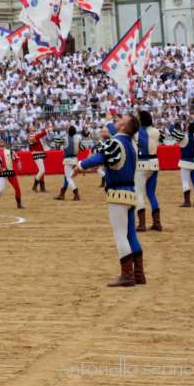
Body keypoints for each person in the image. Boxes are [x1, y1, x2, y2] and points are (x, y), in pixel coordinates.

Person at [72, 114, 145, 287]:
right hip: (131, 192)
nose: (118, 119)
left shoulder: (116, 143)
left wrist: (80, 165)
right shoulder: (132, 144)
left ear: (122, 127)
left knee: (120, 235)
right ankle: (139, 274)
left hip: (117, 193)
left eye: (122, 119)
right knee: (131, 234)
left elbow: (99, 158)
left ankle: (127, 275)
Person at [134, 110, 163, 233]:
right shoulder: (157, 131)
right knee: (151, 193)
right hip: (155, 163)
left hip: (141, 164)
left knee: (139, 193)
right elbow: (162, 138)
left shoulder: (137, 132)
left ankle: (142, 224)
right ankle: (157, 223)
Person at [170, 121, 194, 208]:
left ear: (189, 128)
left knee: (185, 182)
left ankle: (187, 202)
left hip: (186, 162)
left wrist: (173, 124)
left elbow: (172, 131)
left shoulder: (184, 136)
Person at [0, 137, 24, 210]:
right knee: (1, 189)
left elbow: (17, 158)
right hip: (2, 173)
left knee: (17, 188)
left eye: (2, 141)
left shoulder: (9, 151)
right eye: (0, 142)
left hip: (10, 172)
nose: (1, 142)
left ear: (4, 143)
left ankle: (19, 204)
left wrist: (19, 163)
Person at [55, 126, 82, 201]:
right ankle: (62, 194)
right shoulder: (78, 139)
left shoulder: (65, 138)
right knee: (66, 177)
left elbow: (56, 144)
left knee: (68, 178)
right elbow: (82, 148)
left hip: (67, 160)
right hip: (75, 159)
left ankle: (76, 193)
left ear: (68, 131)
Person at [27, 124, 49, 192]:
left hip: (40, 153)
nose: (33, 127)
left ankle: (42, 187)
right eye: (31, 127)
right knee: (42, 171)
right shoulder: (31, 135)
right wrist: (45, 131)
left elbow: (38, 137)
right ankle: (34, 186)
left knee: (41, 171)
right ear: (30, 129)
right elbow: (37, 137)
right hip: (37, 154)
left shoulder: (34, 134)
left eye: (33, 126)